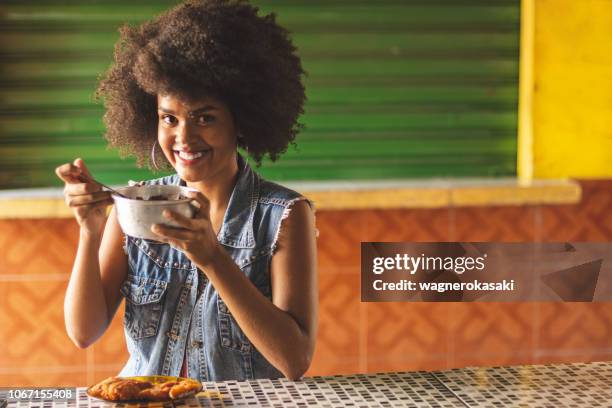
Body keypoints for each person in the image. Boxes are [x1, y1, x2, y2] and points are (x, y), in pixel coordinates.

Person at [55, 0, 317, 382]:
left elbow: (295, 361)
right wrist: (90, 229)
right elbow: (83, 332)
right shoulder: (133, 208)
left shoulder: (284, 216)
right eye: (169, 118)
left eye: (205, 118)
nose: (184, 137)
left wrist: (213, 259)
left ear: (240, 121)